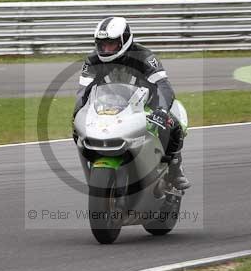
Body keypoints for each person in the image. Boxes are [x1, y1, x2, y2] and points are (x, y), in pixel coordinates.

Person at [73, 16, 190, 190]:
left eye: (110, 44)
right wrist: (78, 113)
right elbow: (83, 92)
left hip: (146, 104)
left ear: (124, 40)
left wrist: (162, 111)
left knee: (174, 119)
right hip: (110, 106)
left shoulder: (144, 57)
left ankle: (174, 168)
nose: (105, 48)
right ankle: (96, 169)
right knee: (77, 129)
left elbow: (163, 86)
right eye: (101, 44)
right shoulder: (92, 61)